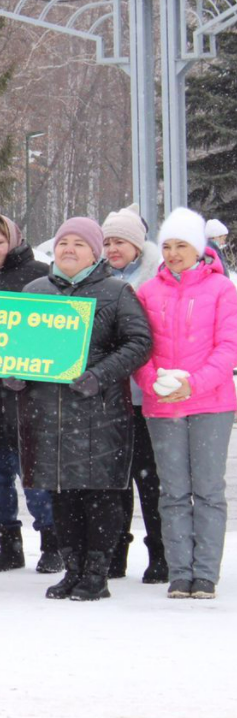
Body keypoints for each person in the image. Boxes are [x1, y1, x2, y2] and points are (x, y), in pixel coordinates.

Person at [10, 217, 152, 601]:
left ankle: (97, 573)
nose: (69, 249)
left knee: (99, 493)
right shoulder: (35, 291)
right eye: (62, 243)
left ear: (95, 251)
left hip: (99, 414)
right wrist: (12, 374)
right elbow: (14, 345)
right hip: (47, 414)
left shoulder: (116, 292)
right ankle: (72, 569)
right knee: (63, 494)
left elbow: (139, 343)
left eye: (79, 243)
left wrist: (99, 375)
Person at [136, 207, 237, 600]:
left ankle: (206, 574)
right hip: (163, 407)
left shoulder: (222, 290)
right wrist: (154, 384)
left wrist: (193, 384)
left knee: (209, 490)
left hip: (211, 404)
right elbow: (140, 349)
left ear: (199, 248)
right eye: (167, 246)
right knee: (173, 490)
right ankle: (180, 572)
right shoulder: (148, 292)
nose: (174, 253)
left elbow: (228, 348)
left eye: (182, 245)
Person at [0, 213, 61, 574]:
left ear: (13, 241)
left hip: (28, 396)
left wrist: (29, 371)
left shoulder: (39, 275)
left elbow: (53, 332)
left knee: (35, 476)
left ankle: (52, 543)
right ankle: (8, 543)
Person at [100, 206, 167, 582]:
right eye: (107, 241)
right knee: (116, 479)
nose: (113, 248)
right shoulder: (99, 280)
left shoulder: (152, 280)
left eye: (120, 241)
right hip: (110, 397)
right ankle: (115, 551)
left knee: (150, 479)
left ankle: (159, 552)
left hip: (146, 395)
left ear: (137, 245)